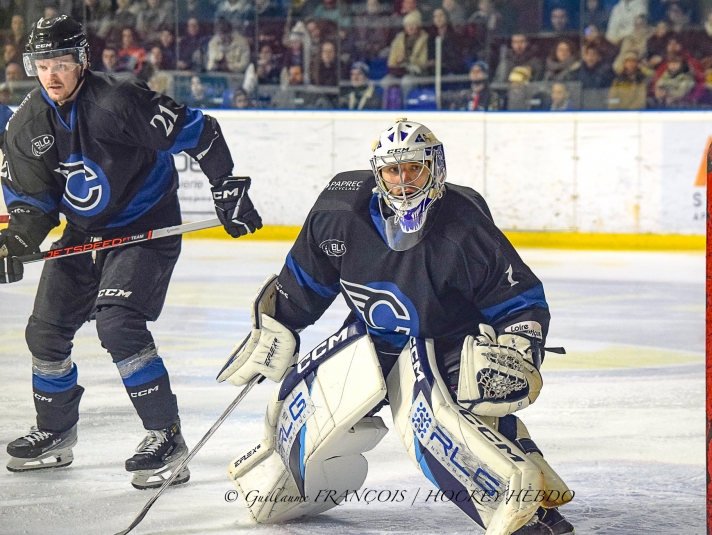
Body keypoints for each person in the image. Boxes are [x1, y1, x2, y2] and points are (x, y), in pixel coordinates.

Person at [217, 117, 576, 535]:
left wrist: (519, 343)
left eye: (413, 168)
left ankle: (531, 509)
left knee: (438, 426)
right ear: (378, 173)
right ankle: (277, 487)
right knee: (292, 413)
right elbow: (303, 286)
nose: (403, 181)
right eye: (392, 170)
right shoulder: (338, 214)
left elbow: (519, 301)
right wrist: (276, 327)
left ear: (435, 169)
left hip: (445, 344)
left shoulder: (464, 227)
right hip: (369, 341)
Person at [0, 16, 263, 488]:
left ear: (82, 60)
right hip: (84, 232)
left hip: (146, 224)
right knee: (45, 331)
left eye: (61, 63)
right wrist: (16, 241)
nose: (52, 75)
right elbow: (35, 205)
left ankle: (166, 436)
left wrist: (227, 188)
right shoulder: (25, 127)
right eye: (43, 65)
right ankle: (56, 432)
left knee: (118, 323)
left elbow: (202, 131)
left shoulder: (120, 101)